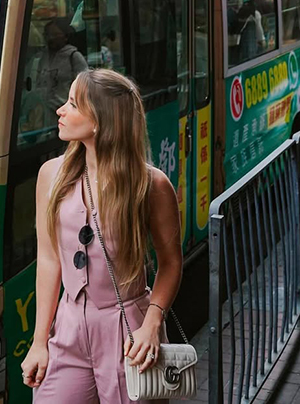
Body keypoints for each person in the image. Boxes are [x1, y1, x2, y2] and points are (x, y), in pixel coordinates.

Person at [22, 69, 182, 403]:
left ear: (100, 121)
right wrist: (39, 341)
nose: (60, 111)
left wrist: (153, 323)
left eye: (72, 104)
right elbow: (49, 261)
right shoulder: (50, 175)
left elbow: (170, 262)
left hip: (128, 331)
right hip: (67, 329)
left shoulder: (150, 186)